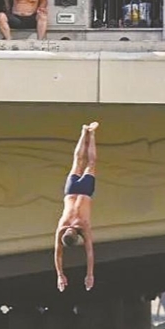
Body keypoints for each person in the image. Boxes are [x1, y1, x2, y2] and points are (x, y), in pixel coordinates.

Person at [55, 122, 99, 293]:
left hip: (78, 191)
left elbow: (59, 255)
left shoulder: (72, 228)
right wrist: (89, 275)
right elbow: (88, 254)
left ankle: (88, 132)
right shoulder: (72, 228)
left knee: (84, 161)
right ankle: (87, 133)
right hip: (78, 191)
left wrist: (60, 274)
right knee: (84, 161)